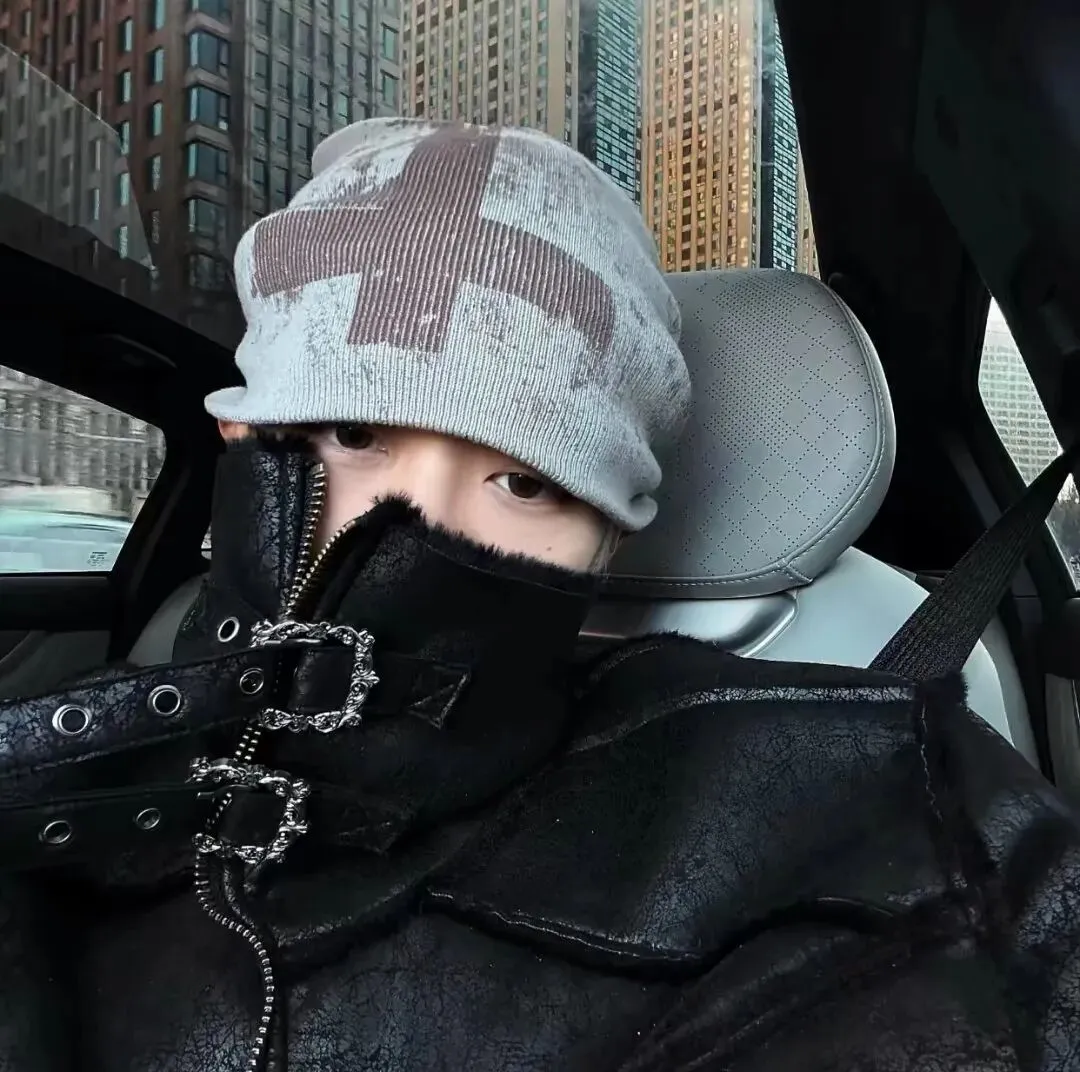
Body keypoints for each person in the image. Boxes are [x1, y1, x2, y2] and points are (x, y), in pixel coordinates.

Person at [1, 118, 1079, 1072]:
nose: (419, 521)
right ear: (238, 434)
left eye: (524, 482)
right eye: (353, 431)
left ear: (606, 536)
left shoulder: (876, 794)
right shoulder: (72, 764)